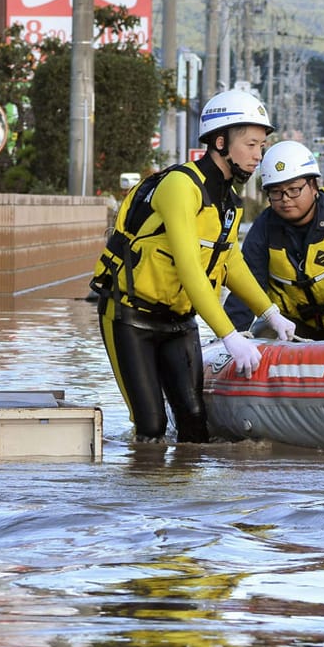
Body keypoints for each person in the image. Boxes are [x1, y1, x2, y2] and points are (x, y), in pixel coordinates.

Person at [90, 90, 296, 444]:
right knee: (151, 428)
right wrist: (230, 336)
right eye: (250, 144)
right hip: (130, 317)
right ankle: (142, 494)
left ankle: (188, 497)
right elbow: (190, 270)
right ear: (220, 141)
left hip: (179, 322)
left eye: (261, 146)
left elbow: (228, 259)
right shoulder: (180, 186)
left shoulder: (230, 202)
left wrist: (271, 312)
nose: (257, 155)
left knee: (195, 425)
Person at [224, 140, 324, 340]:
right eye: (276, 192)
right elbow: (246, 289)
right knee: (264, 333)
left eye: (294, 189)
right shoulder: (264, 228)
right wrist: (229, 340)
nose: (286, 198)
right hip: (296, 329)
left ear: (314, 186)